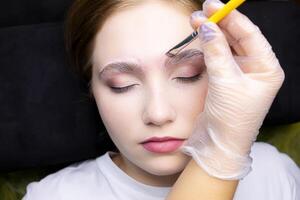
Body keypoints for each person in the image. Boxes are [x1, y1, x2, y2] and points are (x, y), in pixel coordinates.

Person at [22, 0, 300, 199]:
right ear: (92, 88)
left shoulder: (273, 172)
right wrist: (220, 154)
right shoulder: (53, 195)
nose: (158, 113)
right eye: (122, 85)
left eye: (188, 75)